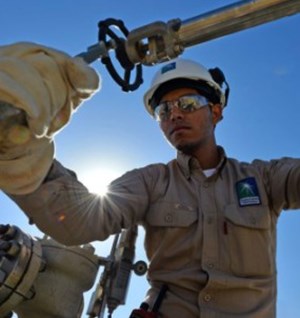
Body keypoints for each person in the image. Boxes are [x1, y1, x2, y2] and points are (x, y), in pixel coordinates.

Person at [1, 42, 300, 318]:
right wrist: (15, 145)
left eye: (188, 104)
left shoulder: (264, 178)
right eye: (163, 110)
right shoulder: (150, 181)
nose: (174, 115)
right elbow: (79, 219)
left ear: (216, 111)